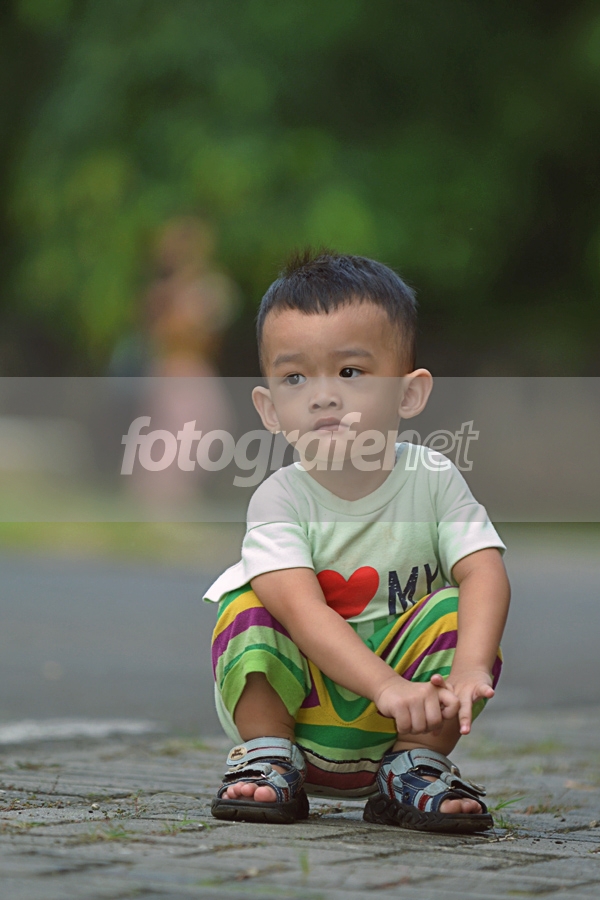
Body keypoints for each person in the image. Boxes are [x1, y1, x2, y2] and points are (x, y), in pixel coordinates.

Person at [203, 250, 510, 833]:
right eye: (295, 378)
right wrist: (383, 685)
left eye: (349, 372)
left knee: (457, 608)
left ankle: (415, 768)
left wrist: (471, 667)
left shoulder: (433, 479)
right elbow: (301, 610)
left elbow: (484, 570)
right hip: (303, 713)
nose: (322, 396)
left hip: (408, 717)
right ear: (269, 408)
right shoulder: (278, 500)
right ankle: (267, 758)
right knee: (248, 605)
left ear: (409, 394)